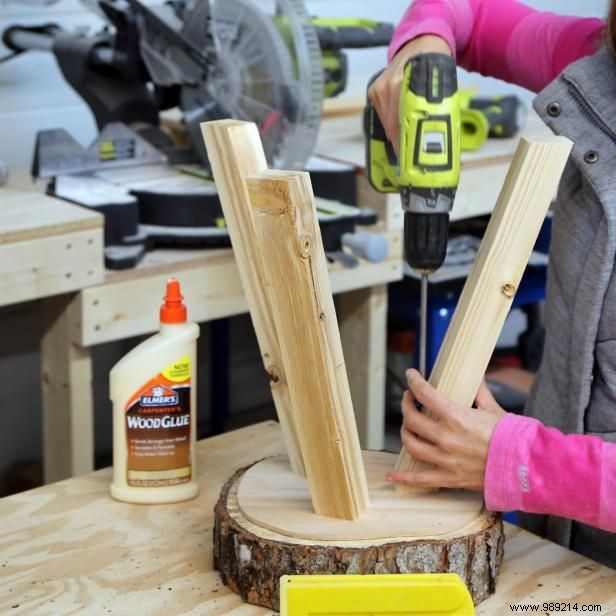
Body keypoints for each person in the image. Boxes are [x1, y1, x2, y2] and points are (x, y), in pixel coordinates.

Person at [369, 0, 616, 567]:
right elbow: (469, 13)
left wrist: (515, 458)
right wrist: (421, 49)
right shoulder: (595, 64)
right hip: (553, 548)